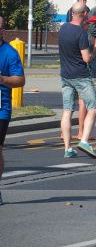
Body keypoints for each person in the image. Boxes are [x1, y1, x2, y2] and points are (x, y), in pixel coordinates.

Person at [59, 1, 96, 159]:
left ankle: (67, 148)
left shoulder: (63, 28)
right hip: (81, 76)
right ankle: (84, 141)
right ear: (84, 14)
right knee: (93, 108)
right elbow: (86, 58)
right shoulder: (80, 33)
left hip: (65, 75)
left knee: (67, 110)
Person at [0, 16, 25, 206]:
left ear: (2, 31)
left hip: (1, 109)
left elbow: (20, 80)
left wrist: (2, 79)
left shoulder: (9, 53)